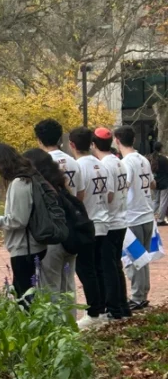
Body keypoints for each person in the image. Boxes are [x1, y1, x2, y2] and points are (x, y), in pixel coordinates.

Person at [0, 143, 47, 301]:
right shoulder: (30, 178)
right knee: (26, 292)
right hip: (31, 244)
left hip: (25, 247)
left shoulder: (19, 183)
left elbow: (17, 220)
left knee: (24, 296)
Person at [33, 118, 83, 301]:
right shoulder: (73, 162)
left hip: (52, 228)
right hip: (71, 226)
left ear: (38, 139)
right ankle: (70, 325)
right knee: (68, 282)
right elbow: (80, 195)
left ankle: (55, 327)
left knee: (50, 283)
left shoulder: (40, 163)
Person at [69, 127, 114, 329]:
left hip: (88, 224)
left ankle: (93, 312)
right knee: (99, 268)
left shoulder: (78, 167)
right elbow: (110, 195)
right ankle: (102, 310)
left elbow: (78, 196)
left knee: (86, 269)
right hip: (103, 221)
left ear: (72, 145)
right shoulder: (102, 164)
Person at [22, 148, 80, 303]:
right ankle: (70, 325)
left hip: (52, 240)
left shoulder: (41, 187)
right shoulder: (61, 184)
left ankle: (55, 326)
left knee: (50, 287)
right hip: (70, 237)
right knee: (68, 287)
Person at [92, 127, 132, 320]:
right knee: (116, 265)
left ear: (93, 144)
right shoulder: (119, 162)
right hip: (122, 218)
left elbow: (108, 194)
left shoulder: (104, 165)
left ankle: (114, 308)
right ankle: (123, 306)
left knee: (108, 266)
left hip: (110, 220)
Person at [114, 126, 155, 312]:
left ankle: (138, 296)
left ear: (117, 140)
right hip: (146, 214)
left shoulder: (126, 162)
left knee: (134, 259)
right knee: (143, 258)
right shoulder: (143, 159)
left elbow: (125, 185)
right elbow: (153, 183)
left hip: (132, 217)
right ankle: (142, 293)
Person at [150, 141, 168, 225]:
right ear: (161, 148)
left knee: (156, 200)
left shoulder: (152, 158)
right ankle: (160, 219)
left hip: (155, 182)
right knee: (163, 201)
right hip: (164, 182)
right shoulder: (164, 159)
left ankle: (150, 217)